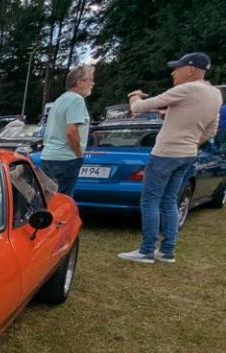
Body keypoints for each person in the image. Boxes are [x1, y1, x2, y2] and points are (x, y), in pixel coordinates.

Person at [118, 52, 222, 264]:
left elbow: (138, 108)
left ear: (190, 70)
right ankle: (167, 250)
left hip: (165, 153)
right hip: (187, 154)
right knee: (170, 200)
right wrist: (191, 142)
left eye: (177, 68)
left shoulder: (186, 89)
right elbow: (211, 130)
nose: (173, 73)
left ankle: (146, 250)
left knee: (150, 200)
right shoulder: (215, 95)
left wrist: (134, 95)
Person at [39, 65, 95, 198]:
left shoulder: (60, 99)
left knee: (50, 199)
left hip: (49, 156)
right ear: (80, 82)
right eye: (90, 80)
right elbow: (71, 131)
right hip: (65, 159)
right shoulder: (76, 100)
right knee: (63, 201)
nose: (92, 84)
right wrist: (79, 154)